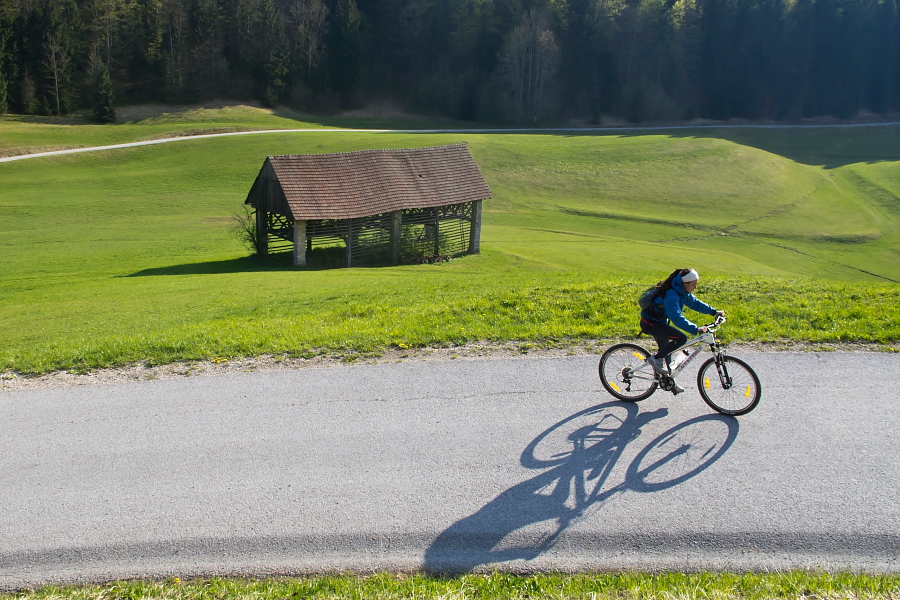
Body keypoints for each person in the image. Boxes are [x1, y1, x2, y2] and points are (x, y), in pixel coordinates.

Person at [639, 268, 726, 394]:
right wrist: (696, 329)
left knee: (668, 352)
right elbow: (676, 317)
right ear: (685, 283)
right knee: (681, 339)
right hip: (651, 324)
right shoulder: (672, 294)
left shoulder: (682, 292)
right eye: (694, 284)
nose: (695, 287)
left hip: (660, 322)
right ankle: (655, 359)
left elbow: (696, 304)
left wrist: (714, 312)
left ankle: (669, 382)